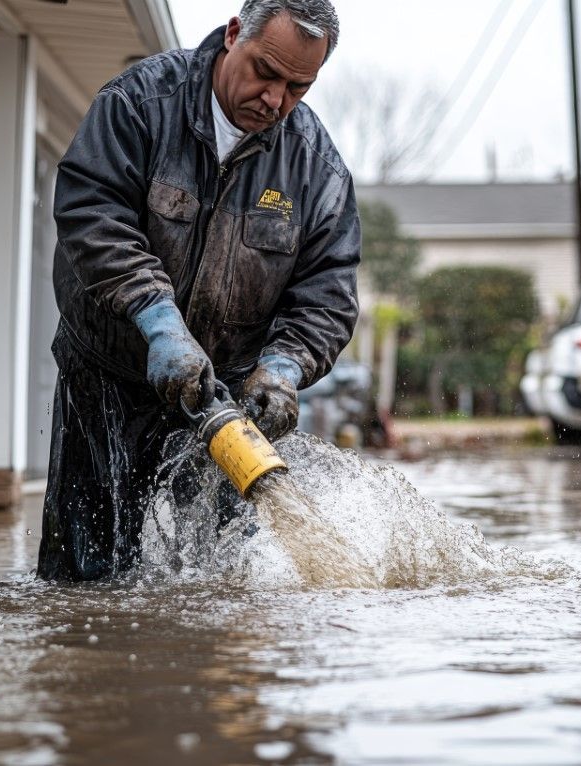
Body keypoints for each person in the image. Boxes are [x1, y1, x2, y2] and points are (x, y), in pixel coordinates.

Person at [38, 0, 359, 582]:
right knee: (85, 571)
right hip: (107, 369)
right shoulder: (139, 104)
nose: (275, 99)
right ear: (235, 33)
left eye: (297, 86)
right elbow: (92, 214)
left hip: (228, 390)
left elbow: (329, 291)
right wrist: (158, 321)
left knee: (218, 576)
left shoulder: (316, 168)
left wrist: (284, 368)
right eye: (265, 70)